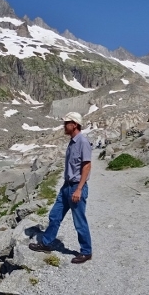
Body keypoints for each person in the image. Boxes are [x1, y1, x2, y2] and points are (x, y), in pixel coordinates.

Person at [29, 112, 93, 264]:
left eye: (66, 123)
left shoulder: (83, 142)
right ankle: (46, 243)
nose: (64, 126)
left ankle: (86, 252)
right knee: (55, 215)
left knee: (79, 222)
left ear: (75, 125)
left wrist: (79, 189)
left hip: (77, 187)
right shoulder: (72, 142)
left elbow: (87, 166)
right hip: (66, 187)